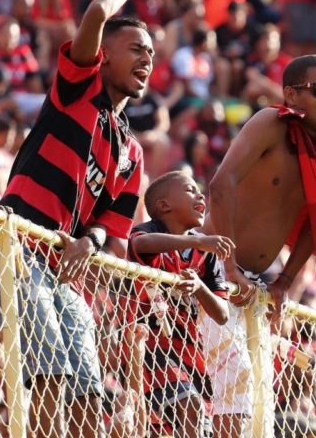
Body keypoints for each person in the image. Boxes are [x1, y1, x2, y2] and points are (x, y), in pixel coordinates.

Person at [0, 0, 168, 438]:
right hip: (16, 246)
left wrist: (92, 241)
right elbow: (98, 13)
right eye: (136, 49)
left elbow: (113, 222)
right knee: (51, 371)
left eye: (152, 52)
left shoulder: (132, 150)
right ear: (103, 57)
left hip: (63, 266)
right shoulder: (77, 90)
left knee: (88, 384)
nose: (147, 58)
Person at [204, 54, 316, 436]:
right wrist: (229, 265)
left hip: (257, 283)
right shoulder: (271, 121)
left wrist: (285, 280)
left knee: (250, 400)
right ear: (290, 94)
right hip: (213, 268)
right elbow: (221, 185)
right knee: (232, 397)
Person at [125, 171, 232, 438]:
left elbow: (222, 314)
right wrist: (197, 239)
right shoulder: (151, 232)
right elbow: (142, 243)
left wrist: (200, 287)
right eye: (189, 189)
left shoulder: (205, 255)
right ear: (164, 205)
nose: (199, 195)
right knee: (190, 407)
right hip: (150, 348)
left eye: (198, 190)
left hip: (190, 352)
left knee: (188, 426)